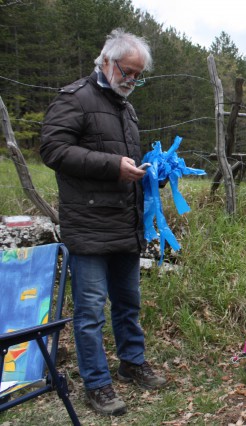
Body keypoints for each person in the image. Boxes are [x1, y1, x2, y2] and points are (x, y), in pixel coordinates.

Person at [40, 28, 166, 416]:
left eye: (137, 75)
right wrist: (114, 167)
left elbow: (123, 160)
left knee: (128, 303)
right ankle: (96, 383)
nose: (131, 81)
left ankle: (132, 362)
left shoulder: (127, 109)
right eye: (127, 72)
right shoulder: (74, 98)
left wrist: (149, 173)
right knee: (90, 310)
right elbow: (53, 149)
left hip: (124, 224)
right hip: (89, 224)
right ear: (106, 61)